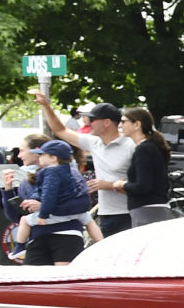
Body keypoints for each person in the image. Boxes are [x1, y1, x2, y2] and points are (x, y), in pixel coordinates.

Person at [38, 90, 136, 238]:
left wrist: (109, 185)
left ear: (107, 122)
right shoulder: (94, 142)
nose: (88, 123)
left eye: (92, 119)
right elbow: (59, 130)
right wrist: (45, 105)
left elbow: (143, 181)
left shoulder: (131, 146)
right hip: (105, 212)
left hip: (129, 213)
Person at [3, 141, 95, 263]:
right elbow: (17, 216)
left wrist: (44, 209)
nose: (19, 156)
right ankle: (20, 246)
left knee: (62, 278)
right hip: (37, 237)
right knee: (34, 279)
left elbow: (82, 204)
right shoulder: (27, 180)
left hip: (65, 233)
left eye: (22, 150)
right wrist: (8, 190)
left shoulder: (68, 173)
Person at [121, 107, 173, 226]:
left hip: (148, 211)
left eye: (124, 121)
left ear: (137, 124)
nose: (121, 125)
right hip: (154, 209)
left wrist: (122, 184)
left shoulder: (143, 149)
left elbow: (143, 186)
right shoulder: (151, 147)